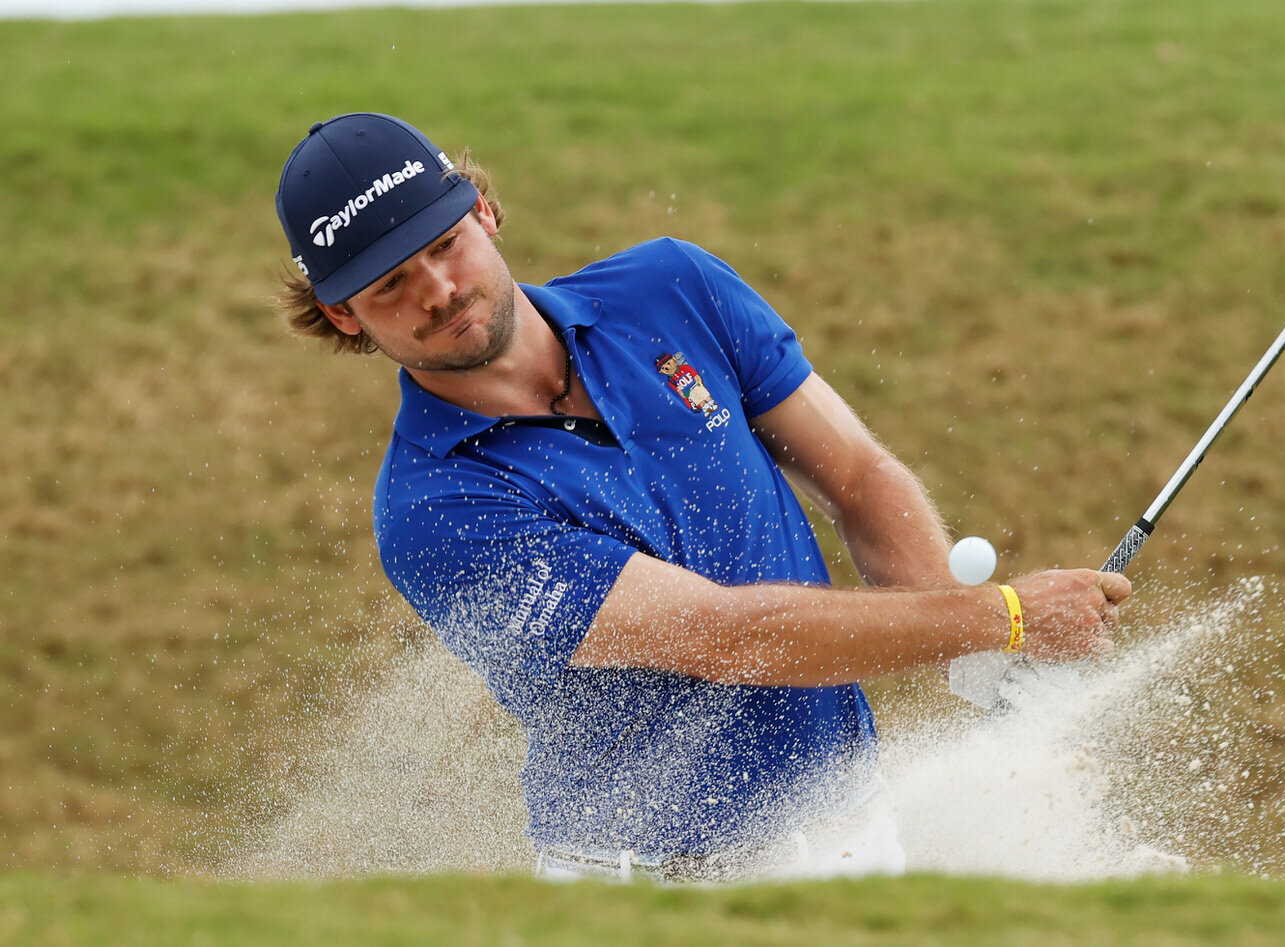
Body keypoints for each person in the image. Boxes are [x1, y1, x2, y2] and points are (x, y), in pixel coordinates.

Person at [274, 112, 1132, 881]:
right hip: (649, 888)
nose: (439, 288)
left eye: (445, 243)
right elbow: (727, 637)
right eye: (390, 283)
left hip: (856, 836)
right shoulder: (436, 509)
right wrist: (1005, 617)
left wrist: (968, 644)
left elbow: (859, 477)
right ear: (343, 313)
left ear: (485, 214)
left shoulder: (670, 287)